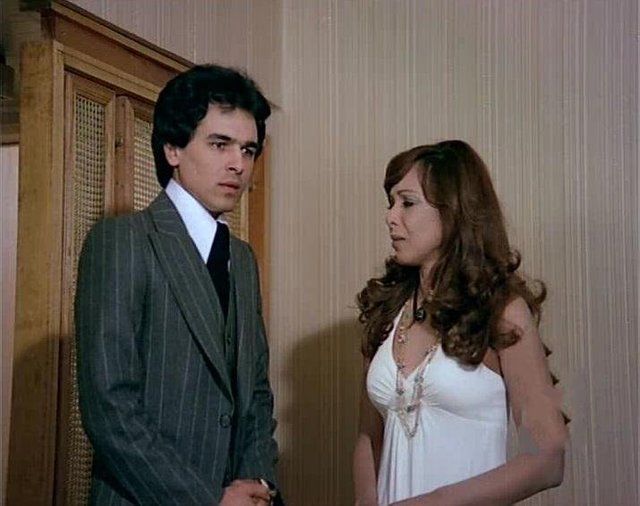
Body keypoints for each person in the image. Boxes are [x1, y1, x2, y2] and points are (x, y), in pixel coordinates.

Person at [75, 64, 281, 505]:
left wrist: (257, 483)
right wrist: (210, 500)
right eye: (220, 144)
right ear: (172, 148)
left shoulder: (242, 259)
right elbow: (110, 409)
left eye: (248, 150)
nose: (238, 164)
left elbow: (256, 394)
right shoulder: (123, 240)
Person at [353, 140, 567, 505]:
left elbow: (547, 459)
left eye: (407, 203)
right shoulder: (387, 312)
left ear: (453, 210)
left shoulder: (501, 312)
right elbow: (369, 437)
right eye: (390, 203)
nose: (391, 216)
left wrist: (434, 502)